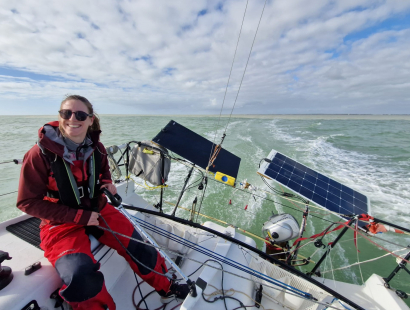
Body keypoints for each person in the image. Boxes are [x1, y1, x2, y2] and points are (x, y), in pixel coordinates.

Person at [16, 95, 189, 310]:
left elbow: (104, 173)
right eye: (66, 113)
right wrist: (79, 217)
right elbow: (27, 202)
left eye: (80, 114)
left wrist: (107, 183)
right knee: (80, 275)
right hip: (60, 223)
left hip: (98, 209)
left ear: (90, 120)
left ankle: (167, 287)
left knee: (138, 244)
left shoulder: (97, 149)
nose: (72, 118)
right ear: (59, 117)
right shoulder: (38, 154)